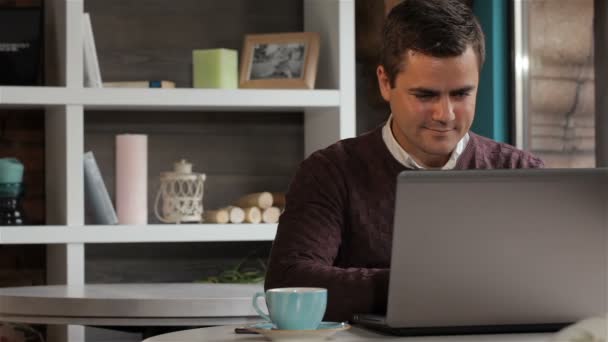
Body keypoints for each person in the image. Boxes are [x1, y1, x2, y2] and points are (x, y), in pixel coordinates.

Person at [264, 0, 544, 323]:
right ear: (385, 83)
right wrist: (420, 285)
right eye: (425, 95)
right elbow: (289, 282)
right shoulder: (330, 172)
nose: (445, 115)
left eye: (461, 94)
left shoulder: (521, 173)